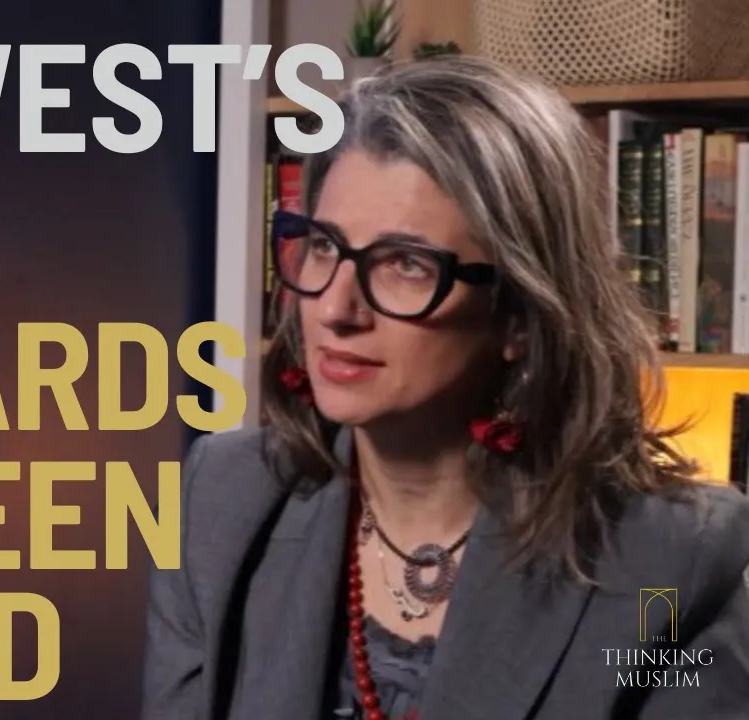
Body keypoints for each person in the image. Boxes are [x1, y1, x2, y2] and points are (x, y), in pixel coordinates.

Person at [140, 55, 749, 720]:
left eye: (406, 264)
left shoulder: (672, 568)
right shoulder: (223, 501)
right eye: (323, 247)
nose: (336, 309)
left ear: (520, 314)